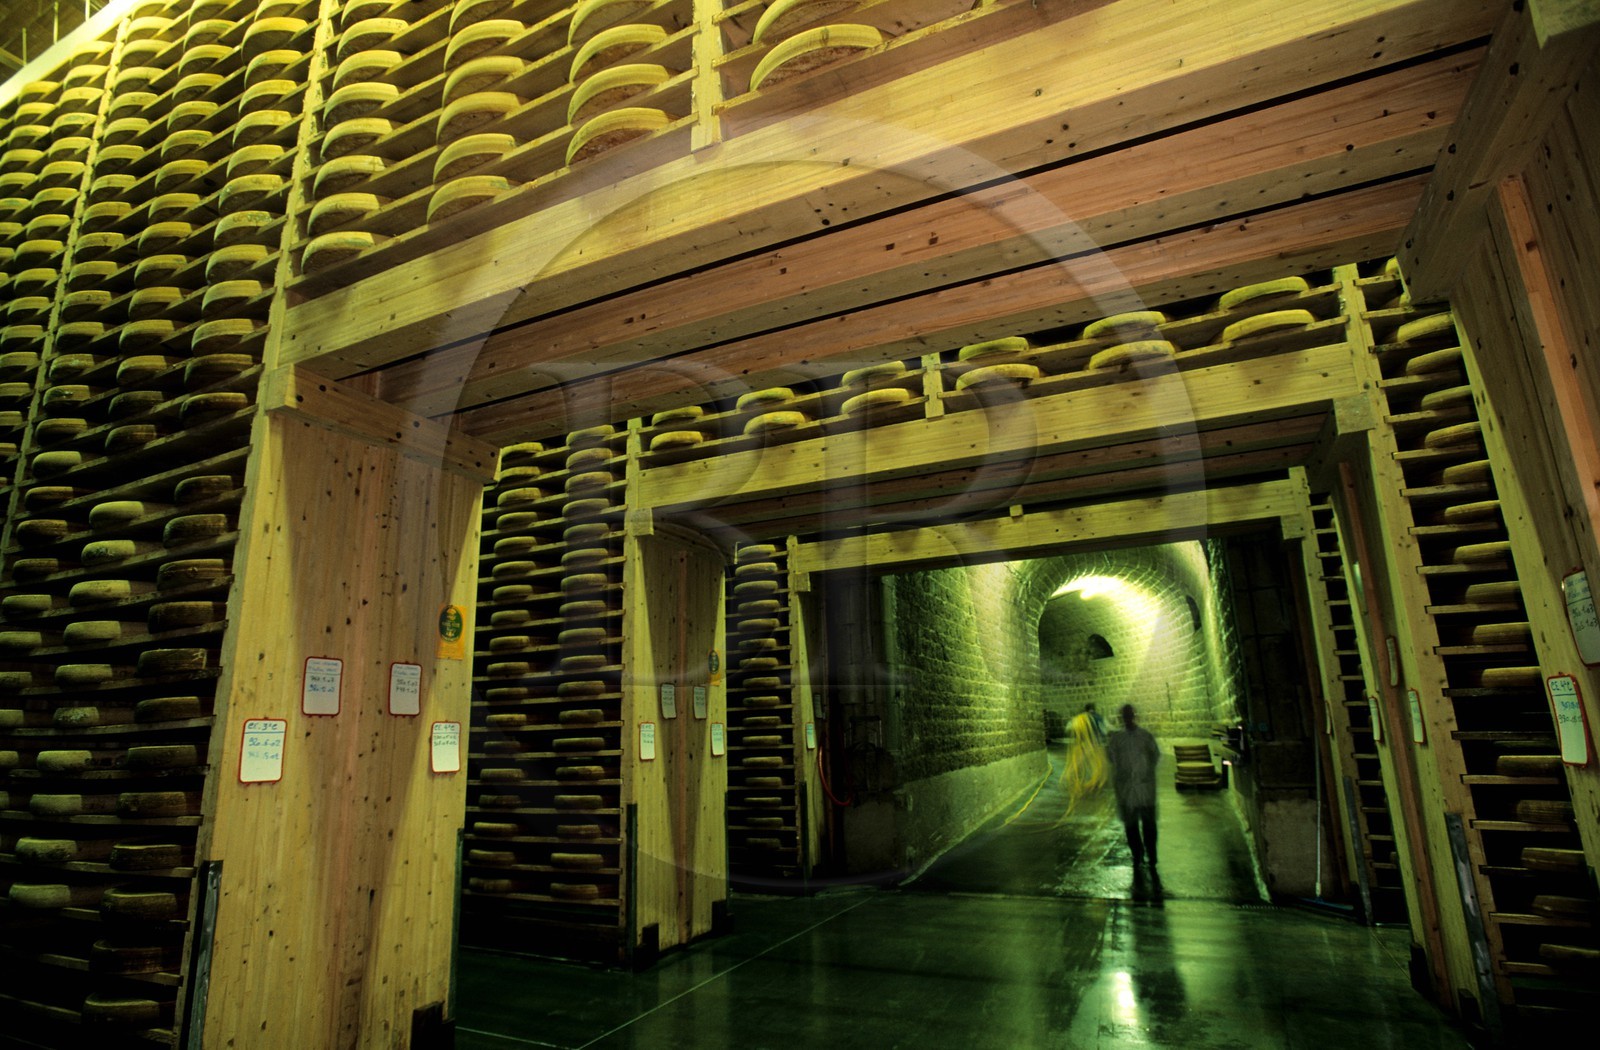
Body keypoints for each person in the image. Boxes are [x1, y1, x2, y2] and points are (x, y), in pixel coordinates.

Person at [1104, 703, 1162, 867]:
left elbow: (1154, 756)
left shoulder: (1144, 736)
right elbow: (1111, 757)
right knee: (1132, 826)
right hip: (1127, 789)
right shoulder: (1118, 739)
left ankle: (1151, 854)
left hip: (1144, 788)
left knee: (1148, 825)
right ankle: (1138, 854)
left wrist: (1143, 774)